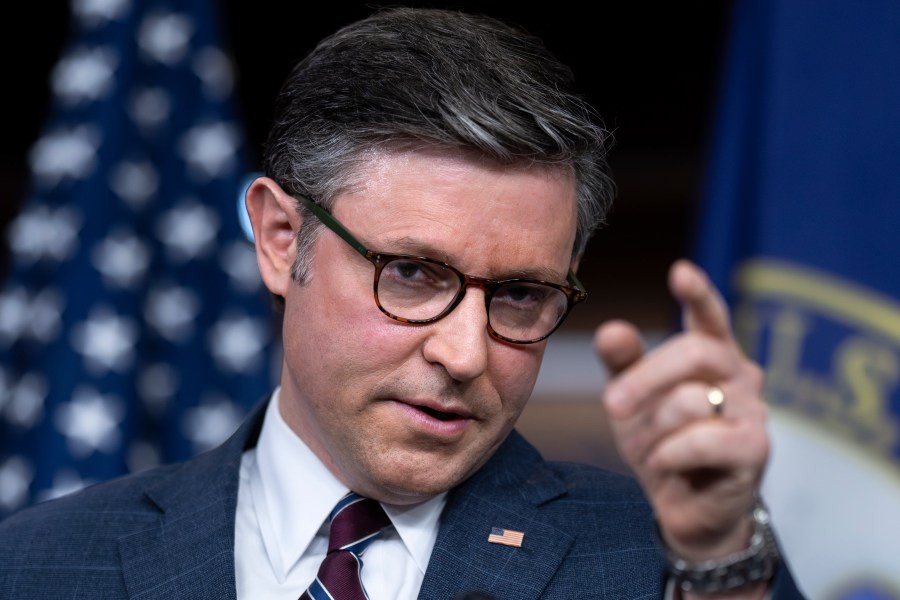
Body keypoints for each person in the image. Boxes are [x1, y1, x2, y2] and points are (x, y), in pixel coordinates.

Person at [0, 7, 805, 599]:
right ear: (282, 240)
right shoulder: (36, 566)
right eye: (414, 274)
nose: (465, 355)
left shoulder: (669, 557)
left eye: (521, 294)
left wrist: (717, 562)